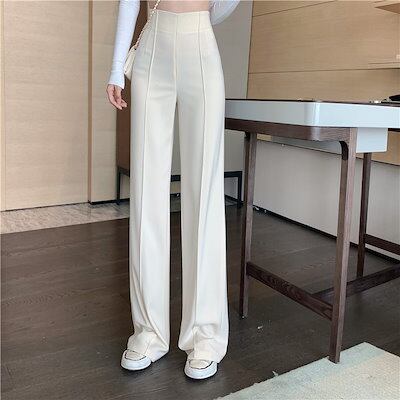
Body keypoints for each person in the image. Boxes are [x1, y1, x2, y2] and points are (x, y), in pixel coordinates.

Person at [106, 0, 239, 380]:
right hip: (154, 44)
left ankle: (205, 334)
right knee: (146, 190)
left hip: (201, 40)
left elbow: (225, 4)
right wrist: (116, 67)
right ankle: (148, 332)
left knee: (204, 191)